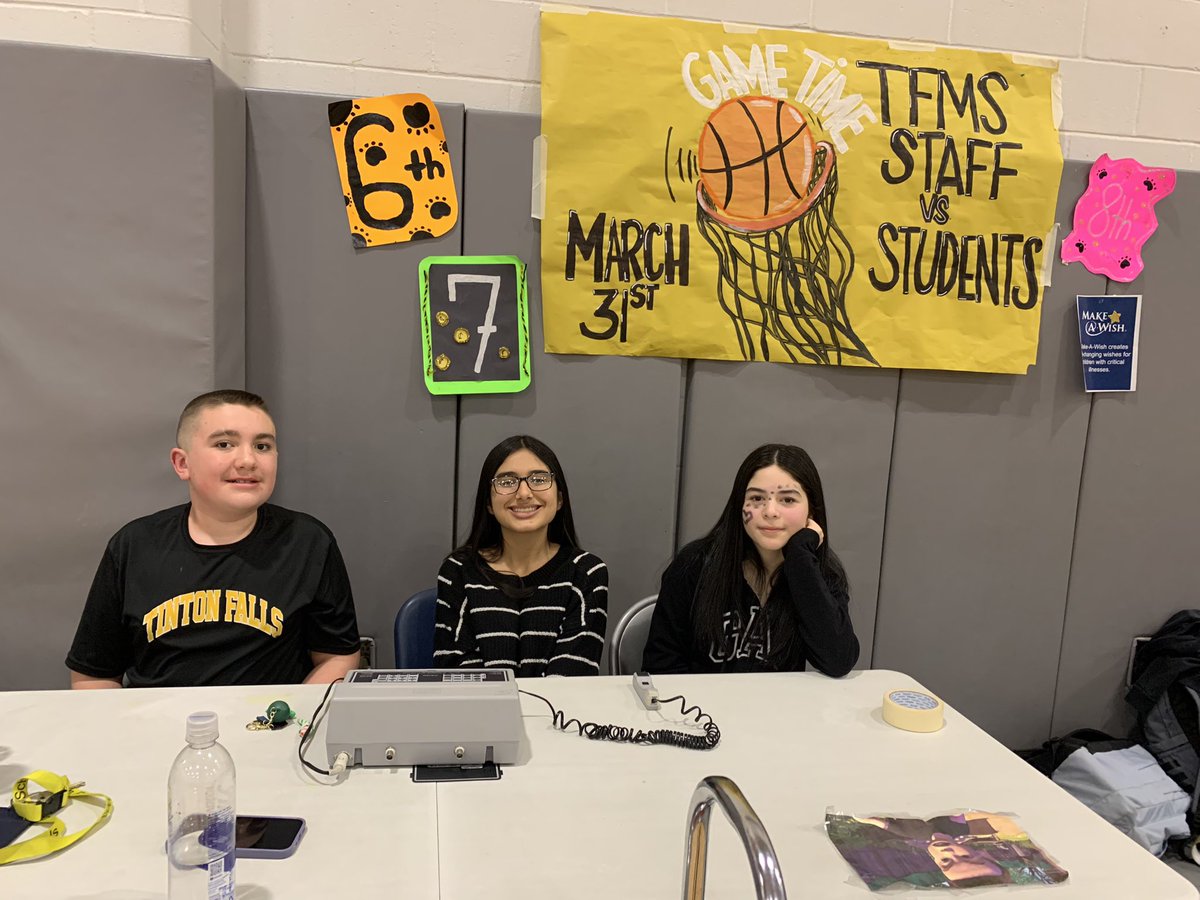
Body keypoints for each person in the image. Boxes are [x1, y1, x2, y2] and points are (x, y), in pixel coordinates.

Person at [66, 390, 361, 688]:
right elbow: (94, 675)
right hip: (158, 716)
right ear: (182, 464)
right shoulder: (134, 545)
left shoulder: (308, 542)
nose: (247, 460)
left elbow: (337, 657)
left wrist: (296, 713)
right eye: (224, 444)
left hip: (267, 716)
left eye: (262, 446)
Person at [642, 443, 858, 675]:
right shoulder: (693, 565)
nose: (770, 511)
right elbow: (661, 668)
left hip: (781, 700)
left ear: (811, 511)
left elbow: (838, 661)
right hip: (697, 700)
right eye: (757, 498)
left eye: (787, 500)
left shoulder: (818, 572)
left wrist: (800, 559)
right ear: (739, 505)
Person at [433, 435, 607, 676]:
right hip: (480, 702)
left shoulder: (586, 572)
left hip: (556, 702)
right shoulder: (459, 571)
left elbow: (573, 675)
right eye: (507, 481)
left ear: (559, 499)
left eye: (539, 479)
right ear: (489, 503)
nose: (524, 493)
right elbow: (457, 673)